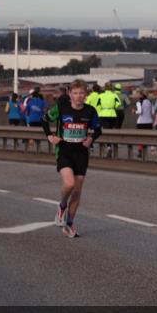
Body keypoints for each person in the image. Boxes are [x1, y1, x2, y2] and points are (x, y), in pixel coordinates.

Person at [42, 79, 102, 238]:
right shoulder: (62, 108)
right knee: (69, 183)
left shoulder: (90, 111)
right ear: (70, 94)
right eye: (75, 93)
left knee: (77, 191)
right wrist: (50, 136)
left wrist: (91, 139)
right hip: (64, 150)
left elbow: (98, 129)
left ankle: (69, 224)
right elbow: (44, 119)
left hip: (81, 153)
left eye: (81, 93)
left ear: (86, 95)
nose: (78, 96)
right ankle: (62, 206)